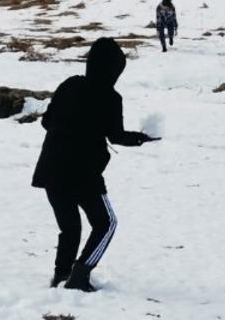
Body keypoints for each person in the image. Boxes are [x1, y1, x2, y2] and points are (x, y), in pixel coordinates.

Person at [31, 37, 159, 291]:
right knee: (106, 224)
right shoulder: (111, 97)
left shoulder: (69, 85)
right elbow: (116, 136)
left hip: (50, 169)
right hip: (82, 173)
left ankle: (61, 275)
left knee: (70, 228)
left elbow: (46, 122)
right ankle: (79, 275)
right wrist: (141, 138)